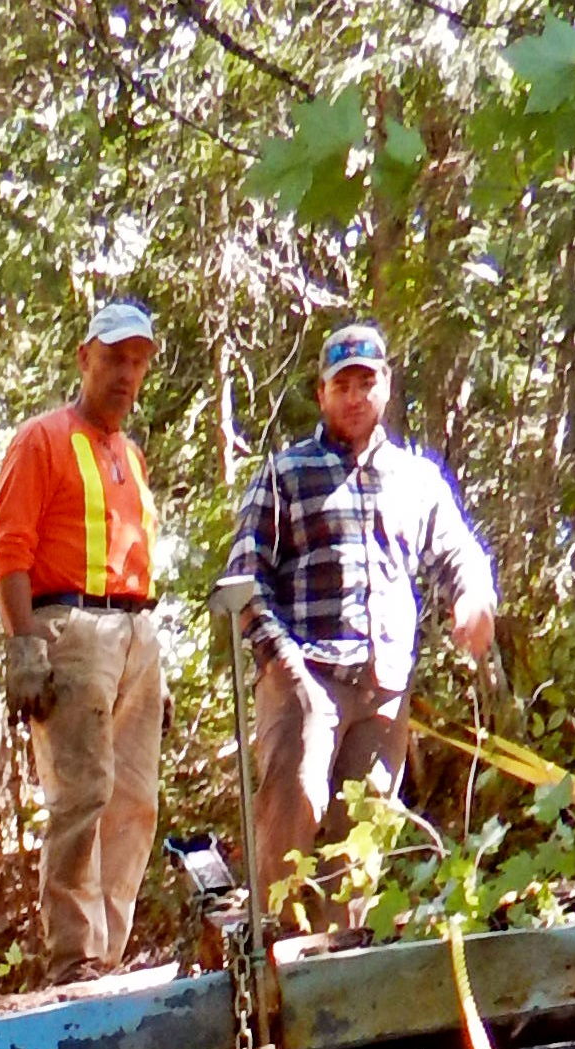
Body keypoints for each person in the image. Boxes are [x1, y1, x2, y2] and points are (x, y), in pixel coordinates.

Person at [221, 321, 496, 910]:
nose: (354, 397)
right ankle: (273, 960)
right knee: (291, 819)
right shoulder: (284, 473)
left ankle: (341, 972)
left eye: (365, 383)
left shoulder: (415, 478)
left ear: (386, 388)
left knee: (360, 845)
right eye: (341, 385)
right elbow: (244, 582)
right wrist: (284, 665)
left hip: (383, 689)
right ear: (320, 393)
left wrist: (473, 595)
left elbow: (457, 550)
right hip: (304, 678)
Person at [0, 300, 167, 980]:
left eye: (136, 362)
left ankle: (108, 954)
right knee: (81, 793)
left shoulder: (131, 457)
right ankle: (75, 956)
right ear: (84, 358)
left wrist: (148, 659)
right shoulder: (43, 439)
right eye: (114, 358)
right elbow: (8, 545)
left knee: (135, 798)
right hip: (71, 627)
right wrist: (23, 643)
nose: (125, 374)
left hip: (135, 630)